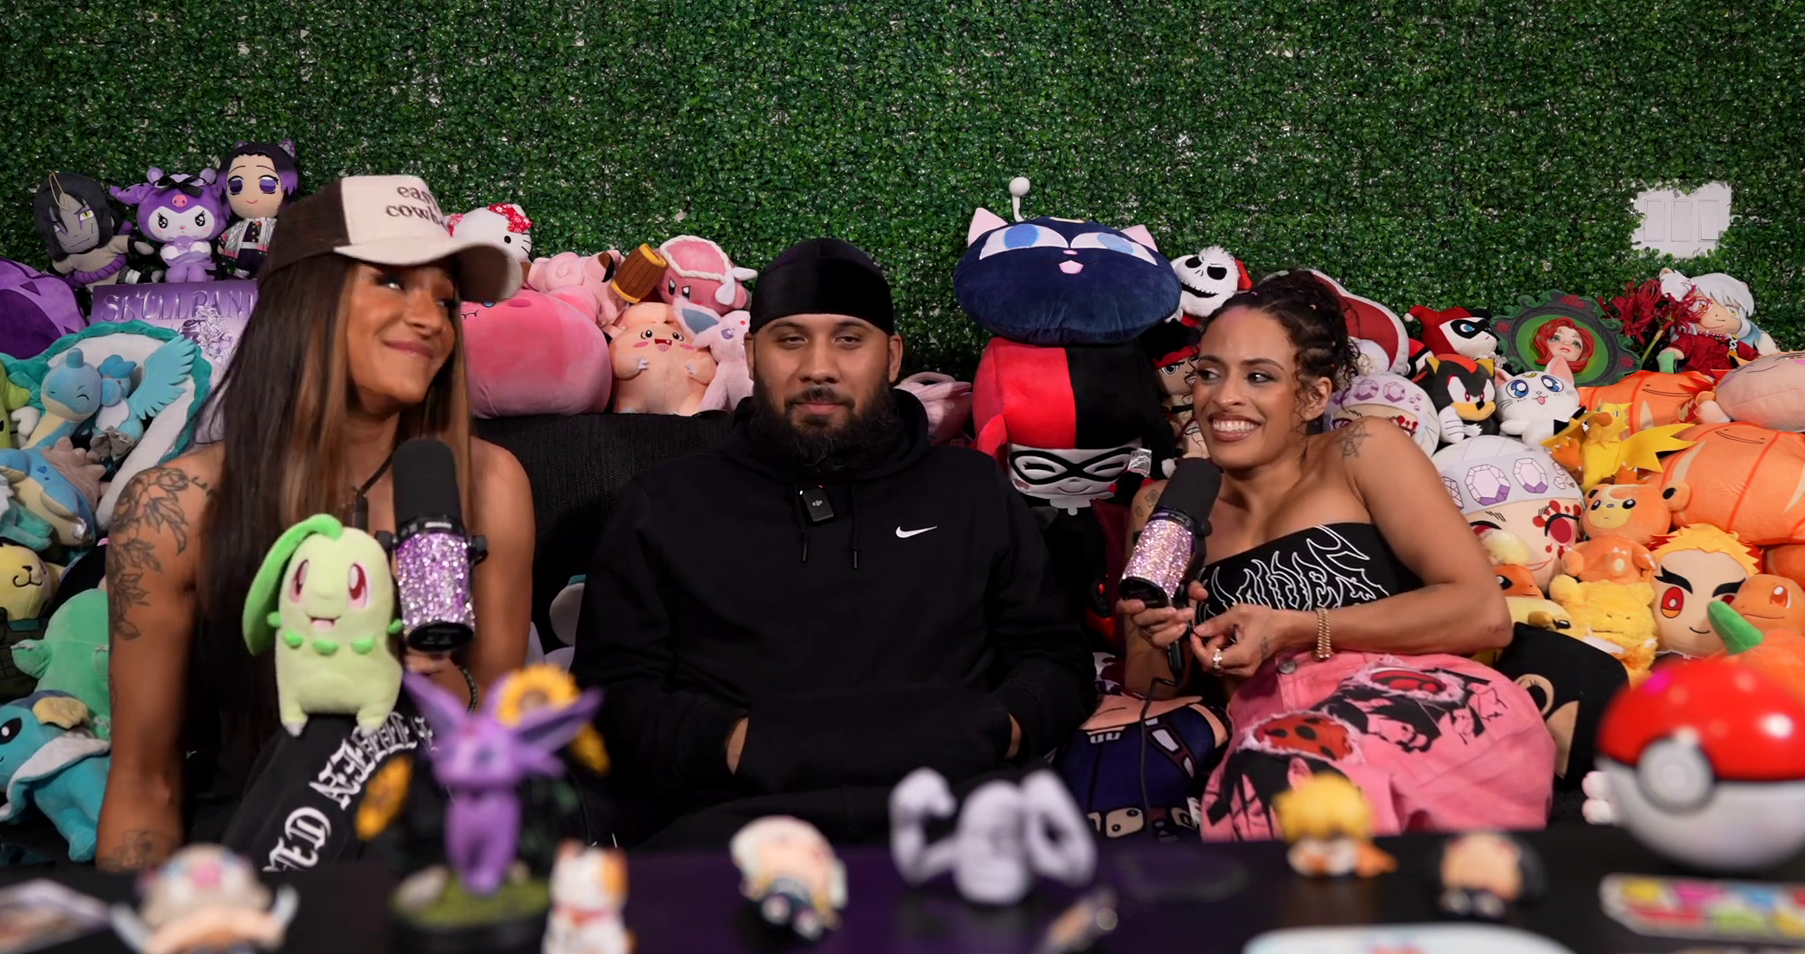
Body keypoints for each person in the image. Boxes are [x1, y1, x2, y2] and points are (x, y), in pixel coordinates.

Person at [573, 238, 1095, 849]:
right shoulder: (665, 502)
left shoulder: (972, 489)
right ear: (751, 353)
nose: (818, 367)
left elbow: (1055, 659)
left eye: (849, 339)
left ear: (892, 357)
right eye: (790, 339)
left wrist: (994, 727)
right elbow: (609, 696)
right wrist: (736, 744)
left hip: (964, 825)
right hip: (733, 832)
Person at [96, 174, 538, 872]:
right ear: (306, 299)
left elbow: (497, 747)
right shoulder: (172, 506)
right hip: (256, 864)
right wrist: (152, 919)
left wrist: (433, 676)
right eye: (391, 281)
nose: (431, 320)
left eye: (445, 300)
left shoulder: (490, 484)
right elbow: (144, 782)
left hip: (432, 858)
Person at [1119, 270, 1552, 840]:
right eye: (1209, 373)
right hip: (1277, 748)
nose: (1224, 397)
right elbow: (1149, 686)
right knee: (1278, 795)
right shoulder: (1161, 506)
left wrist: (1300, 629)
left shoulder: (1361, 450)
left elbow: (1482, 614)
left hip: (1422, 712)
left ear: (1313, 397)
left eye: (1259, 376)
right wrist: (1163, 637)